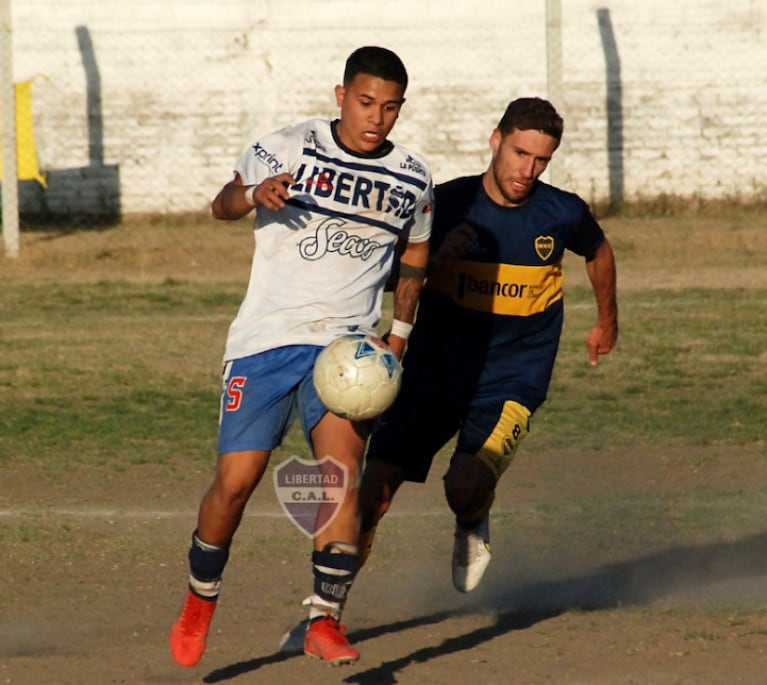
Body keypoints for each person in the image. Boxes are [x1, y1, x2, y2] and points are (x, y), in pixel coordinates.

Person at [169, 46, 433, 668]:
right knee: (234, 486)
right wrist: (254, 194)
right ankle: (199, 600)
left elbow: (416, 258)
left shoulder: (413, 179)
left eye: (390, 107)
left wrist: (397, 337)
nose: (377, 118)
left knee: (339, 475)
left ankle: (324, 618)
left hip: (344, 353)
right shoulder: (288, 145)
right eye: (366, 102)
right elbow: (221, 205)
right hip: (264, 343)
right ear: (340, 96)